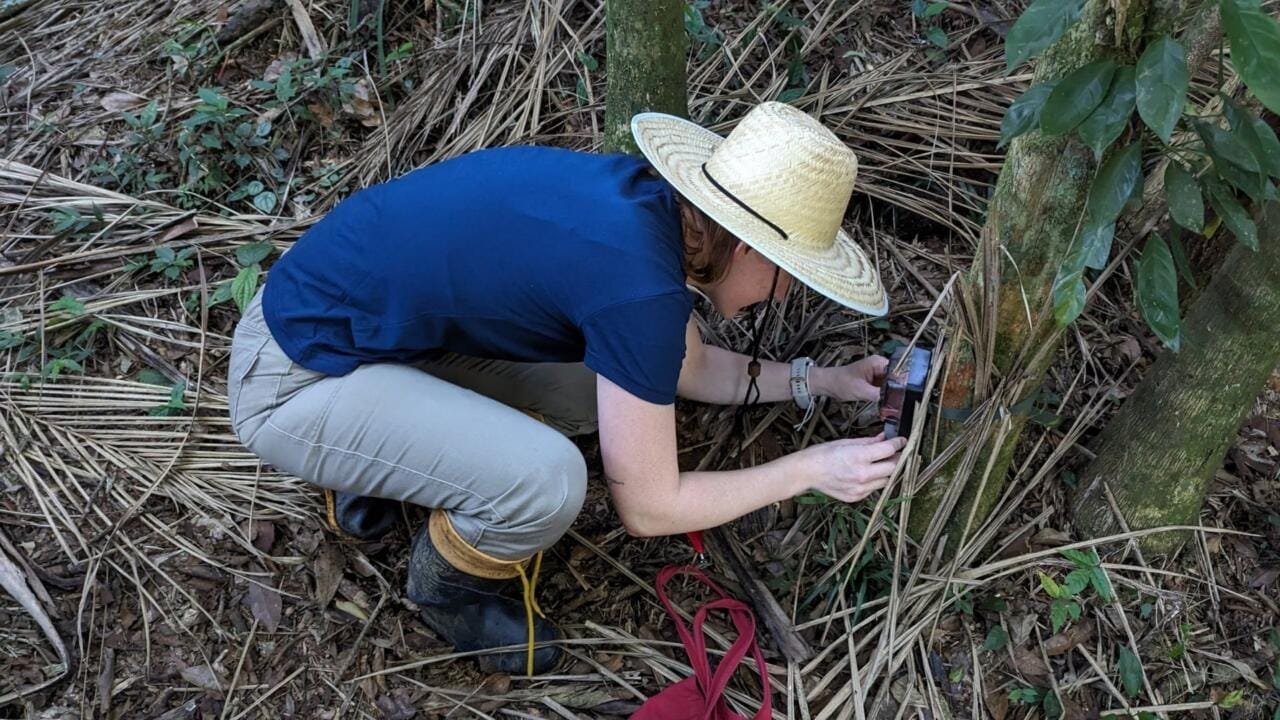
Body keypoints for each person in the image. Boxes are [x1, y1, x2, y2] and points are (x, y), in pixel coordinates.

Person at [227, 101, 905, 676]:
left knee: (588, 395)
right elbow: (651, 508)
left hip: (355, 327)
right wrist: (811, 470)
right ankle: (448, 591)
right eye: (790, 274)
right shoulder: (640, 290)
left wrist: (821, 381)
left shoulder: (648, 212)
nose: (783, 294)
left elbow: (686, 368)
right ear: (750, 248)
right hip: (292, 379)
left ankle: (381, 457)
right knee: (546, 482)